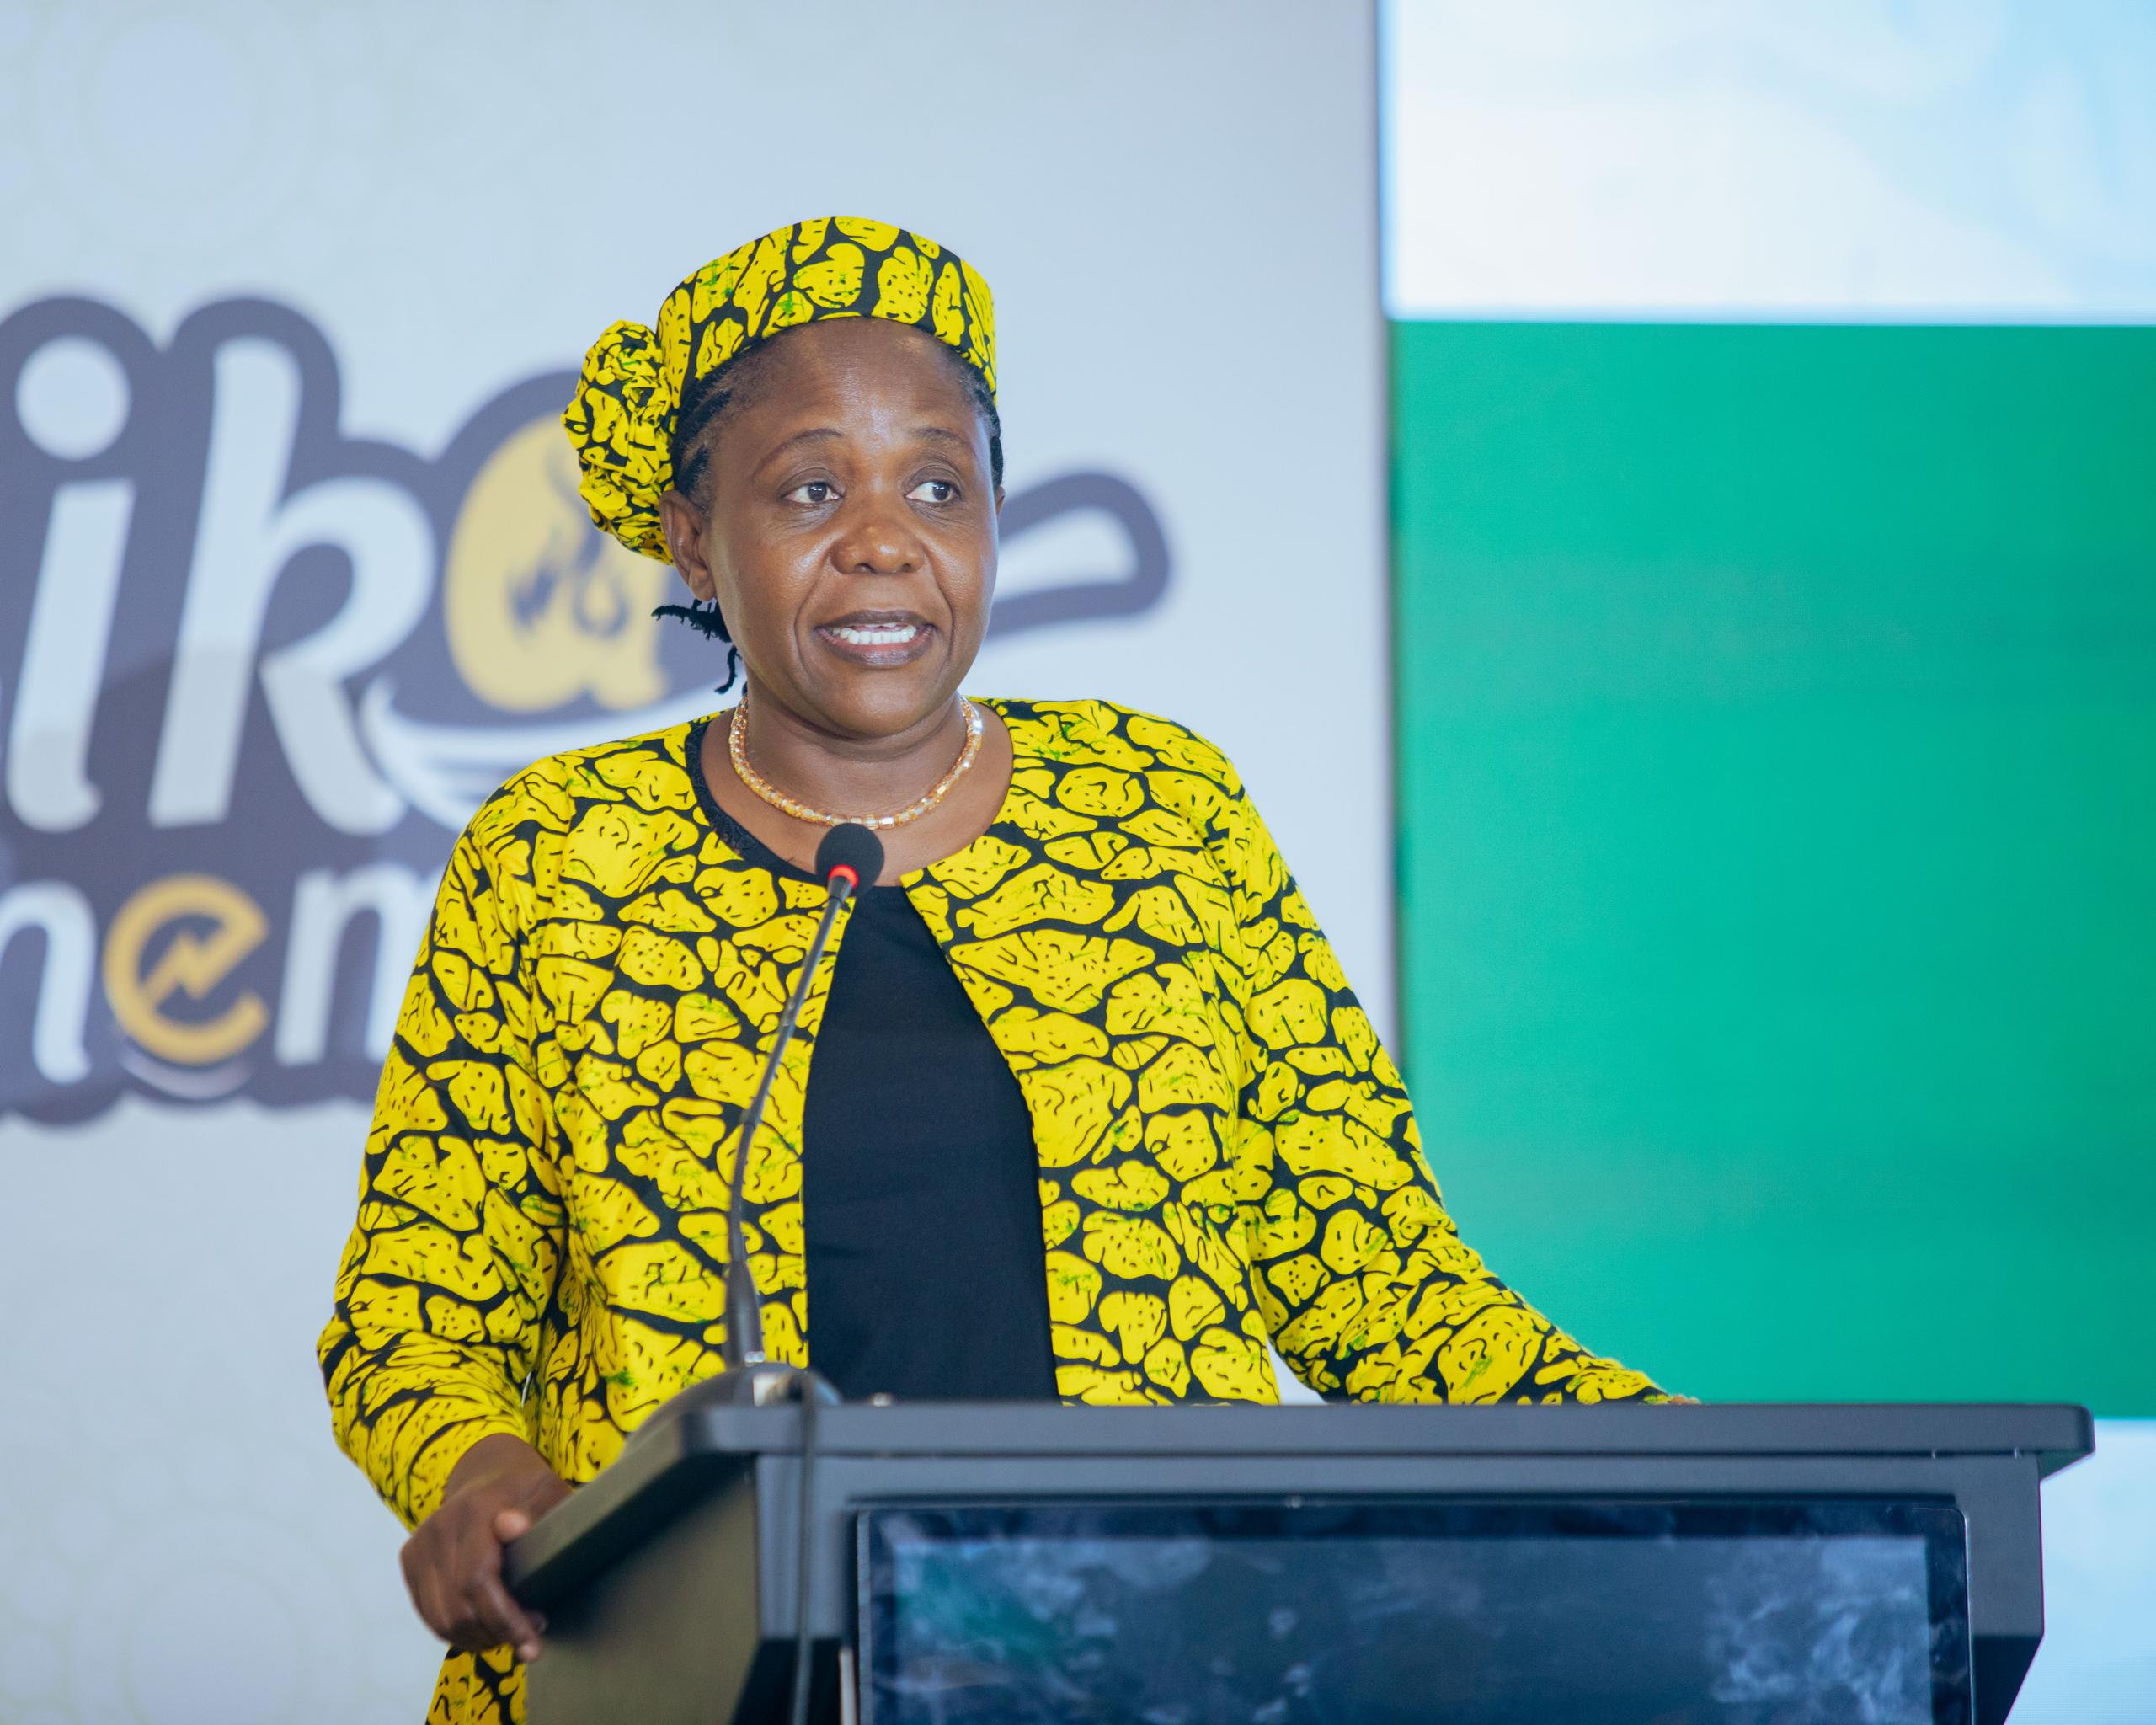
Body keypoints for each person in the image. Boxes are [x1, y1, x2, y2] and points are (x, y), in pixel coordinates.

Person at [318, 216, 1670, 1725]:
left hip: (1142, 1670)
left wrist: (1694, 1462)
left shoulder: (1162, 812)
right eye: (811, 489)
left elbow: (1379, 1276)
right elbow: (418, 1310)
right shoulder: (561, 853)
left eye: (938, 486)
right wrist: (481, 1476)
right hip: (687, 1674)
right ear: (694, 539)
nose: (883, 540)